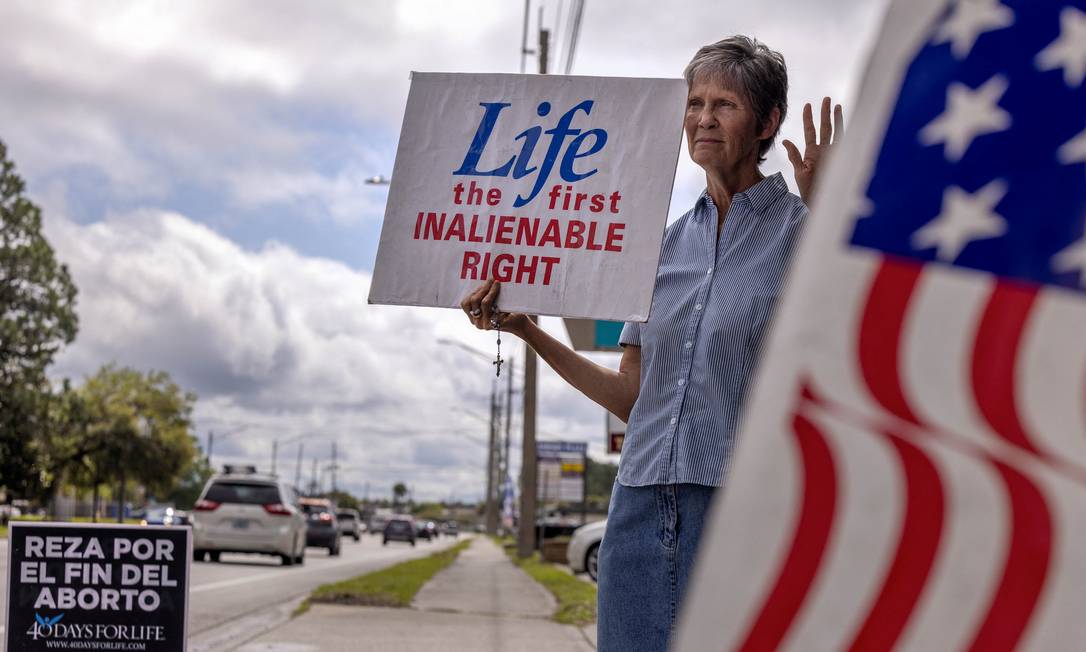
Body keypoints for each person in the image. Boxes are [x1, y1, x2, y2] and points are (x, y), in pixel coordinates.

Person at [461, 35, 842, 652]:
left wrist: (832, 217)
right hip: (637, 510)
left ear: (768, 122)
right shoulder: (659, 246)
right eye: (695, 103)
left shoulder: (805, 235)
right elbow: (632, 397)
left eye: (725, 104)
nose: (703, 118)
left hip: (739, 512)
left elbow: (847, 353)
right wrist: (525, 330)